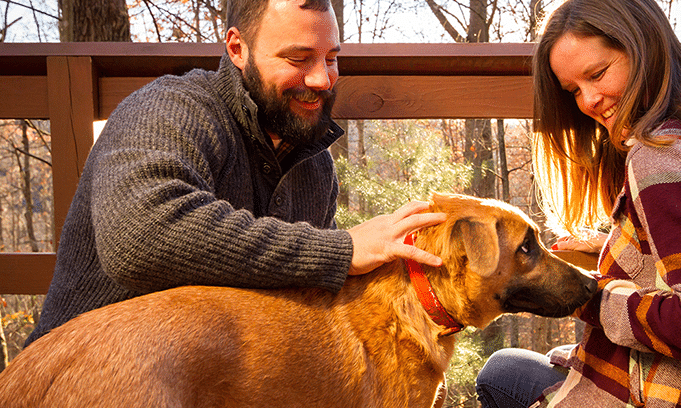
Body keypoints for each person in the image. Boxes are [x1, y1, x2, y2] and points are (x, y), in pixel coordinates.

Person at [25, 0, 446, 347]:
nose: (322, 79)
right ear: (237, 48)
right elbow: (139, 237)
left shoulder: (314, 165)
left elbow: (310, 296)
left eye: (332, 59)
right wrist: (339, 251)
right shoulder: (171, 108)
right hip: (86, 368)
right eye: (298, 58)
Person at [475, 0, 681, 406]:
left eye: (598, 73)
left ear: (643, 47)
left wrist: (586, 298)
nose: (588, 100)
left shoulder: (664, 156)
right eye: (573, 90)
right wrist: (628, 248)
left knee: (500, 372)